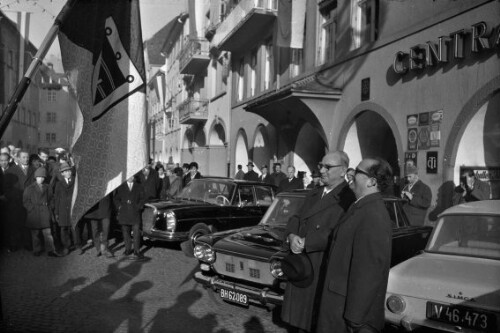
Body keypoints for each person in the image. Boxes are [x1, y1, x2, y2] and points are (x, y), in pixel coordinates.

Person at [281, 151, 356, 333]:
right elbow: (296, 217)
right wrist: (291, 236)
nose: (322, 170)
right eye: (321, 166)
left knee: (311, 321)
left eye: (327, 167)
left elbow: (340, 233)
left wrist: (308, 242)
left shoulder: (349, 198)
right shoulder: (315, 193)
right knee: (296, 320)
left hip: (320, 264)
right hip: (300, 264)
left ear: (342, 171)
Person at [316, 157, 393, 333]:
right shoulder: (360, 207)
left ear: (372, 181)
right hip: (338, 304)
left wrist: (354, 318)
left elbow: (369, 271)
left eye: (357, 171)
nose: (351, 173)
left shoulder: (373, 215)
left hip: (348, 314)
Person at [23, 167, 59, 257]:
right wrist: (31, 208)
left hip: (45, 212)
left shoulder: (48, 187)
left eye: (43, 177)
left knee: (48, 233)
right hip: (34, 214)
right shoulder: (29, 188)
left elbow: (51, 199)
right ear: (35, 177)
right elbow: (25, 201)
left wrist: (50, 207)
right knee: (35, 234)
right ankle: (37, 249)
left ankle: (51, 250)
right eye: (39, 177)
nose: (41, 179)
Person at [114, 176, 146, 260]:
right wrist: (119, 206)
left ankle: (137, 251)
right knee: (126, 233)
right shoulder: (121, 187)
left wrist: (139, 207)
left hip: (135, 213)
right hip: (124, 213)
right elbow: (116, 199)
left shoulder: (139, 186)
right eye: (129, 176)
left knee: (136, 233)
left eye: (132, 176)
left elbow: (143, 199)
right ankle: (128, 249)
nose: (131, 177)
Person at [53, 162, 76, 256]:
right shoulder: (59, 184)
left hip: (72, 208)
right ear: (62, 174)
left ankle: (76, 244)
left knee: (74, 228)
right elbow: (57, 198)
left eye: (69, 171)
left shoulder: (75, 181)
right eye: (65, 172)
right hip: (62, 209)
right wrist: (57, 212)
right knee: (63, 229)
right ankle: (66, 246)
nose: (68, 173)